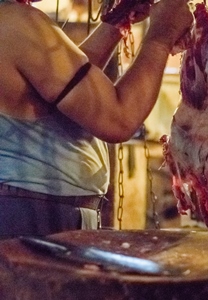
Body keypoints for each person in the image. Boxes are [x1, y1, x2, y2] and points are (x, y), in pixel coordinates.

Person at [0, 0, 193, 239]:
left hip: (26, 209)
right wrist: (161, 37)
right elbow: (119, 119)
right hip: (31, 216)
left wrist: (115, 24)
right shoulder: (17, 22)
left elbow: (59, 84)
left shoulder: (7, 21)